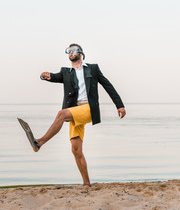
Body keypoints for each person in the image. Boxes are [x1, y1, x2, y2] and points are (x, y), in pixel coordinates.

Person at [36, 43, 126, 187]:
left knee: (61, 114)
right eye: (68, 52)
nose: (70, 53)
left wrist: (119, 105)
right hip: (75, 112)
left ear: (81, 53)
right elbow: (54, 77)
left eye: (72, 51)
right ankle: (86, 183)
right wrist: (45, 76)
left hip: (89, 109)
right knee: (76, 150)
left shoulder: (93, 68)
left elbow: (108, 85)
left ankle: (40, 142)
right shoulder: (66, 72)